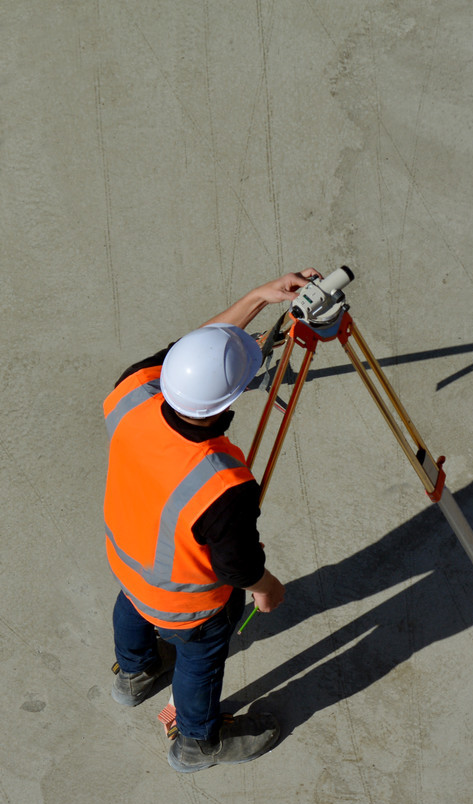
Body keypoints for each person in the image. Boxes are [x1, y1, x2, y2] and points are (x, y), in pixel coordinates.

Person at [103, 269, 319, 772]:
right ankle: (198, 742)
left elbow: (188, 355)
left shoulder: (132, 391)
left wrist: (257, 299)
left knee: (133, 607)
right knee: (200, 656)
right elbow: (237, 565)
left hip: (128, 562)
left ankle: (134, 675)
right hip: (186, 603)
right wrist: (267, 588)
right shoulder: (221, 483)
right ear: (230, 402)